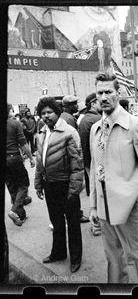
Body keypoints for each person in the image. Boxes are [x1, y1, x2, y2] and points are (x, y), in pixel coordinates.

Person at [88, 71, 138, 283]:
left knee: (137, 258)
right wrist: (93, 206)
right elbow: (94, 168)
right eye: (99, 93)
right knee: (114, 259)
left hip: (129, 207)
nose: (103, 97)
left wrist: (135, 199)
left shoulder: (134, 124)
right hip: (103, 206)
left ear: (118, 93)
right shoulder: (95, 129)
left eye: (108, 92)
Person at [34, 96, 84, 273]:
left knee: (72, 223)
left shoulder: (69, 132)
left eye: (50, 112)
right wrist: (38, 183)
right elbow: (40, 160)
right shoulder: (42, 133)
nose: (46, 116)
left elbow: (77, 163)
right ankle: (58, 253)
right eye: (43, 113)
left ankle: (76, 258)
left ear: (57, 113)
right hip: (50, 185)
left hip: (66, 184)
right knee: (56, 221)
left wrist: (74, 188)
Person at [6, 104, 35, 227]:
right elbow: (23, 143)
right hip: (14, 157)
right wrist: (31, 158)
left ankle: (20, 214)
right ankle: (15, 210)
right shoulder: (14, 123)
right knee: (23, 184)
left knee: (12, 185)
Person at [77, 93, 103, 227]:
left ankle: (96, 223)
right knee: (99, 192)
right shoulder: (97, 119)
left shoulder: (84, 120)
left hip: (88, 161)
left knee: (93, 190)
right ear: (93, 104)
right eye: (99, 101)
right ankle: (97, 225)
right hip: (96, 161)